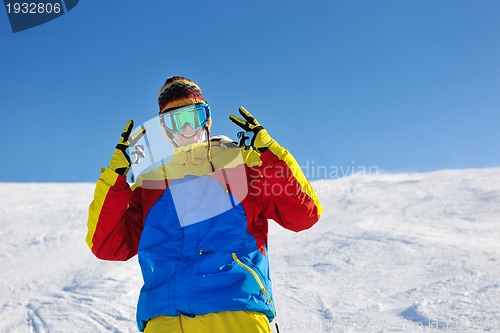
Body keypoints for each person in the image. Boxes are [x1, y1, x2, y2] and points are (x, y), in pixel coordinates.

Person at [86, 76, 322, 333]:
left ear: (207, 118)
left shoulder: (243, 163)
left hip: (237, 312)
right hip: (166, 319)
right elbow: (107, 245)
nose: (187, 128)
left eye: (195, 116)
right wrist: (115, 177)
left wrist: (270, 154)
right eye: (176, 121)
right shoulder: (150, 182)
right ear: (164, 129)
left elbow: (303, 215)